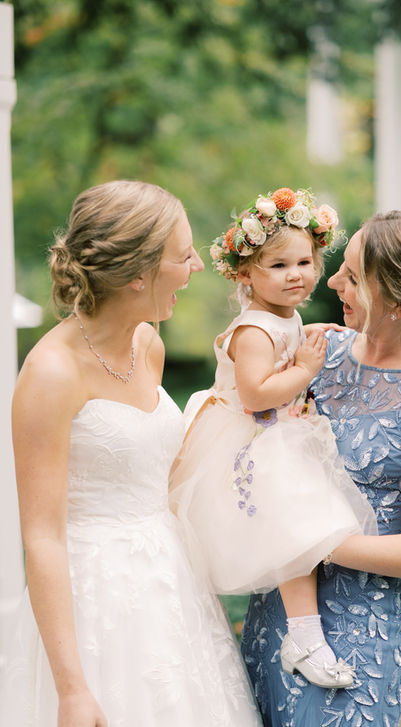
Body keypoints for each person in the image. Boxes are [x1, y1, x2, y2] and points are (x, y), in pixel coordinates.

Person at [0, 180, 262, 727]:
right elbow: (42, 537)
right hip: (94, 605)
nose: (196, 266)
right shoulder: (50, 373)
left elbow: (157, 471)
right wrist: (72, 689)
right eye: (183, 255)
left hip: (174, 588)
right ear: (139, 272)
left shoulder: (148, 343)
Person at [241, 210, 401, 726]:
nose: (331, 282)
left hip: (358, 639)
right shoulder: (317, 353)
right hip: (275, 615)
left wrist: (312, 540)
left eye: (351, 277)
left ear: (396, 302)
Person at [170, 187, 377, 691]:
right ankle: (304, 637)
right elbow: (256, 396)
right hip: (251, 441)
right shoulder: (254, 332)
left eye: (304, 262)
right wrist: (305, 369)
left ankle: (305, 632)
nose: (296, 274)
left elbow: (288, 343)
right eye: (279, 265)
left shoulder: (283, 317)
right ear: (246, 274)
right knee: (294, 528)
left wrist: (310, 338)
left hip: (281, 434)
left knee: (303, 526)